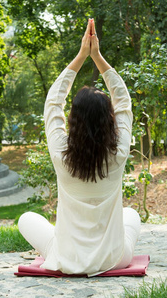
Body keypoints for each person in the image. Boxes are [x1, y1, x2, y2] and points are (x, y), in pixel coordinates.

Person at [18, 18, 141, 277]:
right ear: (109, 119)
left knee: (26, 219)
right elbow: (123, 101)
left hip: (67, 257)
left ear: (73, 119)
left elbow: (53, 103)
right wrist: (97, 57)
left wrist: (81, 55)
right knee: (131, 214)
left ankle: (61, 248)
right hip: (115, 258)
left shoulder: (62, 154)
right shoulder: (118, 152)